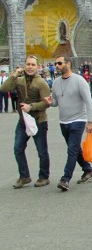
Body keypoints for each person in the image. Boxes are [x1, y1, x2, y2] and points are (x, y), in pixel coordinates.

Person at [44, 56, 92, 191]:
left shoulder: (79, 80)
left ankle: (65, 179)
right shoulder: (55, 82)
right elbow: (56, 102)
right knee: (75, 149)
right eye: (55, 63)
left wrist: (90, 121)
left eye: (60, 63)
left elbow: (89, 102)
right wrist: (50, 103)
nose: (57, 65)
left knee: (71, 150)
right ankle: (88, 170)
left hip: (78, 120)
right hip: (63, 121)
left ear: (68, 64)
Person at [0, 56, 51, 188]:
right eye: (28, 64)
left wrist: (31, 107)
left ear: (37, 67)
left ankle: (44, 177)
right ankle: (24, 176)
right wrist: (14, 74)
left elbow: (47, 103)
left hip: (39, 120)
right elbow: (4, 89)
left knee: (42, 151)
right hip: (23, 121)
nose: (30, 67)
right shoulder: (19, 80)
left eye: (33, 65)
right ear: (24, 65)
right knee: (18, 148)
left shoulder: (41, 83)